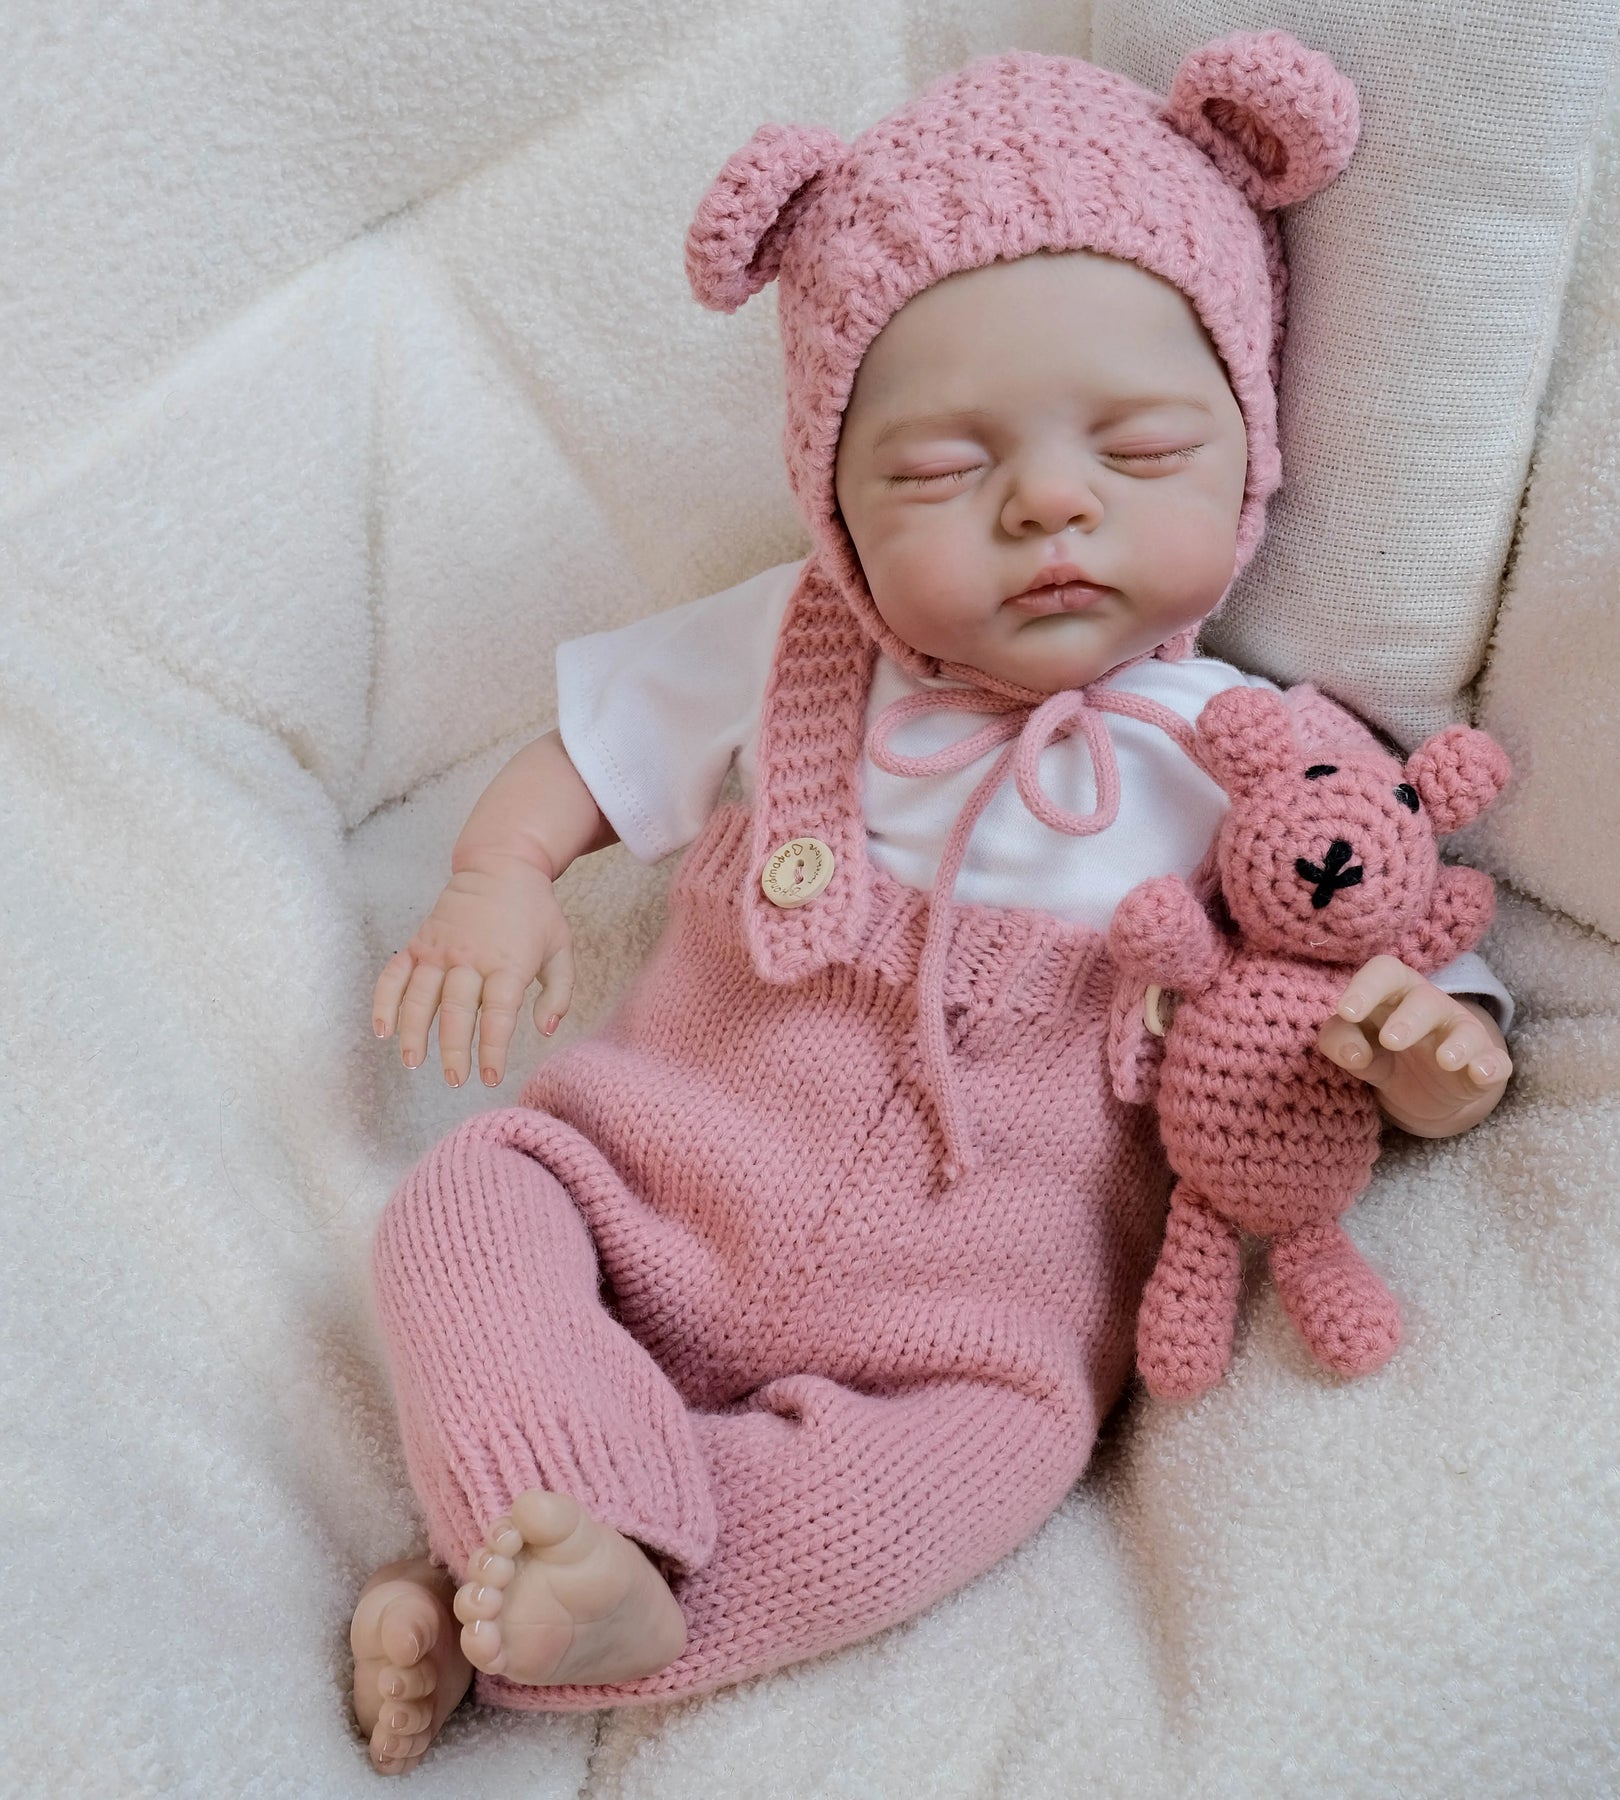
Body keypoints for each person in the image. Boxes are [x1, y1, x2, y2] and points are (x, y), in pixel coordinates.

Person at [346, 34, 1517, 1774]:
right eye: (939, 472)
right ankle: (548, 1510)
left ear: (1250, 456)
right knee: (461, 1204)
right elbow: (586, 752)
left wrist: (1427, 1053)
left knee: (985, 1472)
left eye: (1139, 447)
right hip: (646, 1192)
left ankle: (550, 1594)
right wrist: (497, 877)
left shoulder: (1261, 754)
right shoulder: (793, 640)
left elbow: (1421, 963)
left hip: (969, 1333)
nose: (1050, 502)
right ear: (834, 502)